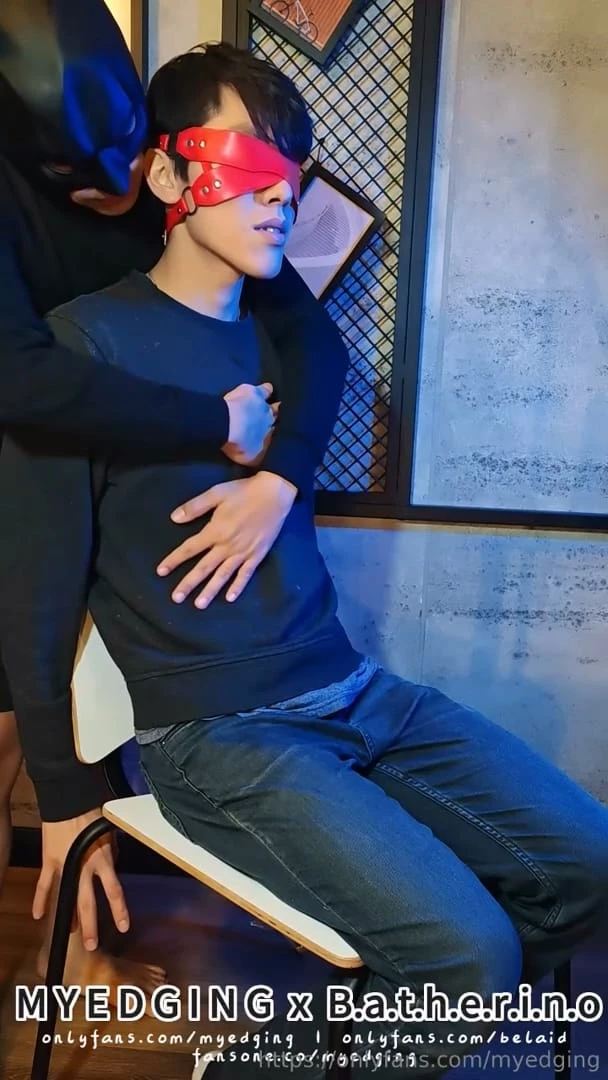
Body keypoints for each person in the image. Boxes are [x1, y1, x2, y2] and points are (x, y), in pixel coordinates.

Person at [3, 41, 608, 1080]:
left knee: (584, 864)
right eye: (246, 167)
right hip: (221, 734)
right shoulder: (80, 351)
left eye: (291, 175)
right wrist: (64, 790)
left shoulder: (285, 333)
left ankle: (357, 1031)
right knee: (468, 959)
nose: (279, 197)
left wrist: (277, 478)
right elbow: (36, 591)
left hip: (356, 690)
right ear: (167, 174)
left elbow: (316, 353)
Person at [0, 0, 348, 998]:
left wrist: (278, 477)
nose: (108, 188)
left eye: (125, 156)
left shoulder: (206, 195)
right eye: (78, 172)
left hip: (112, 489)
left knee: (90, 709)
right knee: (20, 723)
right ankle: (60, 938)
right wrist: (213, 423)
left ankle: (85, 938)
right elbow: (22, 382)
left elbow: (316, 345)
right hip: (33, 461)